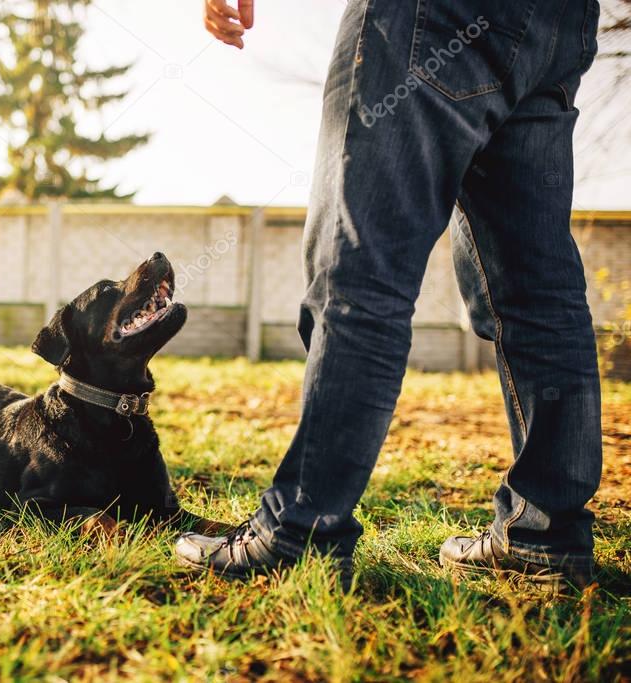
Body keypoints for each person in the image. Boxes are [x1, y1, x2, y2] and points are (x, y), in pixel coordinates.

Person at [176, 0, 602, 592]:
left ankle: (303, 529)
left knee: (357, 269)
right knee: (536, 291)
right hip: (558, 22)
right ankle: (546, 536)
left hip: (434, 16)